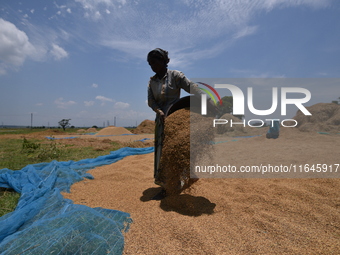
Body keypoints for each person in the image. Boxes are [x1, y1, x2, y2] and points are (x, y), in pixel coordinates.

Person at [147, 48, 208, 198]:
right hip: (161, 121)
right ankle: (164, 185)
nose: (152, 66)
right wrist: (159, 112)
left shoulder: (175, 76)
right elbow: (151, 101)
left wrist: (205, 98)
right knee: (162, 154)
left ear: (163, 61)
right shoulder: (152, 81)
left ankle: (179, 180)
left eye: (154, 62)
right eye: (150, 64)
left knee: (176, 153)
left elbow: (191, 87)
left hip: (176, 118)